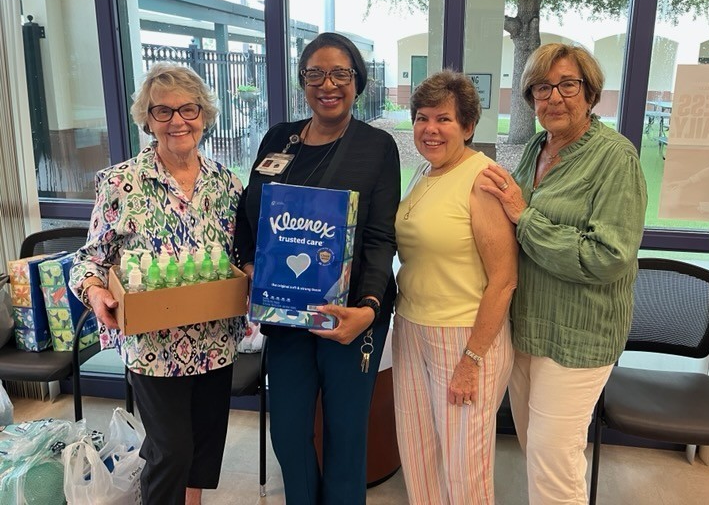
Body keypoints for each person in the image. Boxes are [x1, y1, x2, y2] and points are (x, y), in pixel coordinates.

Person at [233, 32, 400, 505]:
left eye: (340, 74)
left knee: (345, 437)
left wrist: (369, 307)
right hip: (285, 314)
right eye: (315, 74)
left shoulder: (377, 146)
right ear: (302, 81)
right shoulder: (278, 138)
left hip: (348, 317)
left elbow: (380, 237)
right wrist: (250, 264)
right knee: (288, 433)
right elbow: (250, 210)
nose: (328, 85)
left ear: (357, 81)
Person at [70, 63, 246, 505]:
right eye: (162, 111)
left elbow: (241, 255)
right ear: (147, 120)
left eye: (188, 109)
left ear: (204, 115)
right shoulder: (121, 183)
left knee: (203, 449)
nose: (177, 121)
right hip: (153, 345)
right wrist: (97, 292)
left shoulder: (227, 184)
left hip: (214, 337)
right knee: (171, 451)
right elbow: (89, 259)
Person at [481, 44, 647, 504]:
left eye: (567, 85)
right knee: (536, 448)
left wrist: (524, 217)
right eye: (542, 87)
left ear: (590, 93)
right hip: (527, 329)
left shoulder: (616, 158)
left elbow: (607, 256)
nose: (554, 97)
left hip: (579, 336)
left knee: (554, 461)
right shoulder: (536, 147)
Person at [392, 70, 518, 504]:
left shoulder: (483, 179)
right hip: (411, 327)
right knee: (418, 454)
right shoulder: (423, 174)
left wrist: (472, 359)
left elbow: (504, 279)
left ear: (468, 126)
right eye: (422, 118)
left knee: (465, 470)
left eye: (443, 119)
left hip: (464, 336)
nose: (430, 129)